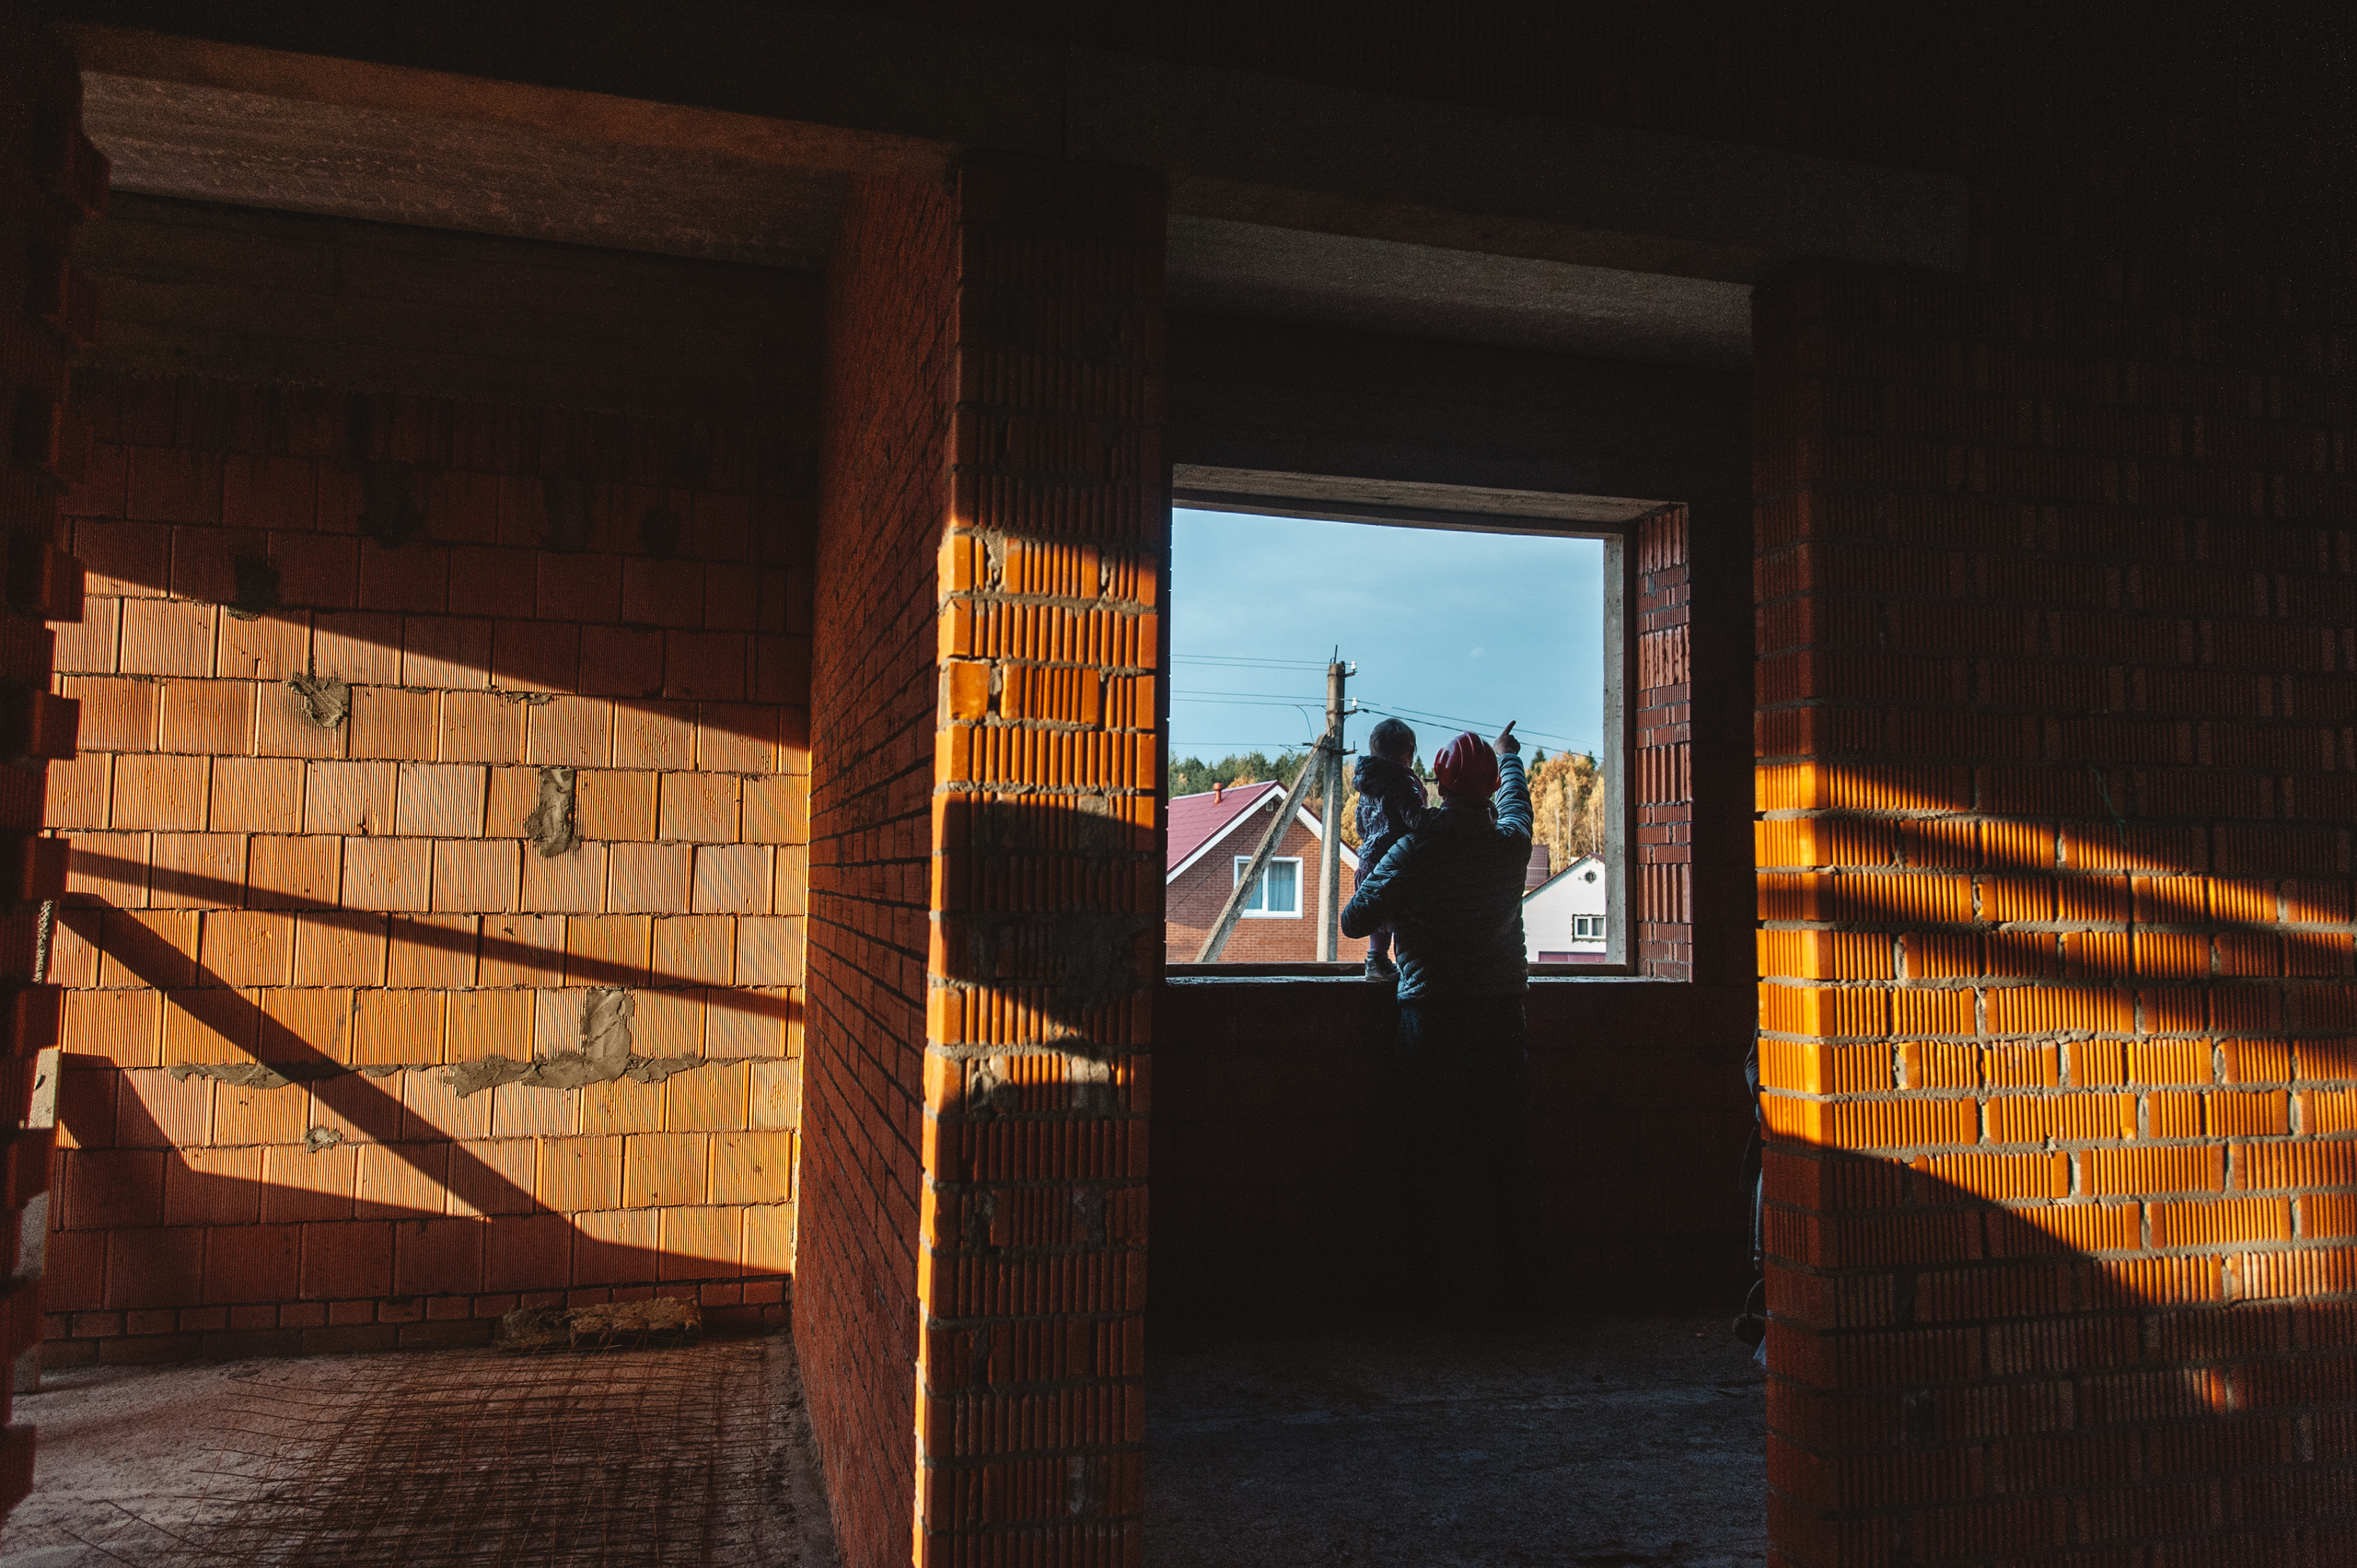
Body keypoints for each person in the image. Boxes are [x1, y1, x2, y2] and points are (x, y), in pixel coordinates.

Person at [1340, 722, 1540, 1317]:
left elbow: (1354, 919)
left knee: (1430, 1161)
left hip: (1430, 1021)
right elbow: (1518, 805)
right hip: (1503, 1019)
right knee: (1509, 1161)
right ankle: (1523, 1295)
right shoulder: (1511, 847)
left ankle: (1429, 1298)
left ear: (1438, 785)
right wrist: (1508, 758)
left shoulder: (1416, 849)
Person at [1350, 717, 1429, 979]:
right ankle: (1407, 968)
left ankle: (1376, 960)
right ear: (1408, 752)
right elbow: (1416, 818)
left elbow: (1360, 823)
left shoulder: (1368, 783)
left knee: (1379, 919)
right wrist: (1439, 817)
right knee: (1403, 919)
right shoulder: (1402, 781)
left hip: (1369, 861)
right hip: (1396, 863)